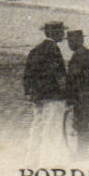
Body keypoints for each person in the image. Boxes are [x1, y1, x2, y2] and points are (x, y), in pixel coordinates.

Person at [24, 20, 69, 156]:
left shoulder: (36, 49)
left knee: (37, 127)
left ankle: (32, 160)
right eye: (61, 32)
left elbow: (28, 73)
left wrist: (30, 91)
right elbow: (59, 75)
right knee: (52, 130)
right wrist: (67, 92)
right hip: (53, 96)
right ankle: (48, 162)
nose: (63, 34)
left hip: (38, 96)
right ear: (54, 33)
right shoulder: (54, 50)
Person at [64, 29, 89, 157]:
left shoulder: (78, 57)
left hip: (83, 96)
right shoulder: (88, 53)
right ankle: (82, 151)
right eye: (69, 41)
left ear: (79, 41)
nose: (69, 44)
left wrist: (69, 95)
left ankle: (83, 153)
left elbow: (74, 78)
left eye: (71, 41)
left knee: (82, 124)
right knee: (83, 123)